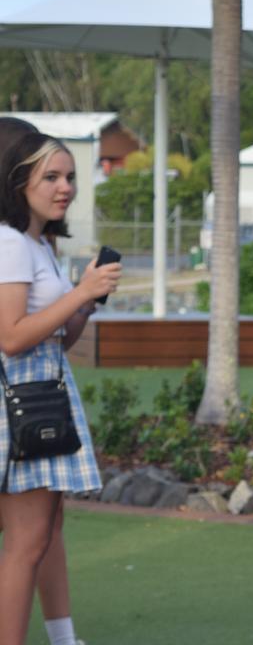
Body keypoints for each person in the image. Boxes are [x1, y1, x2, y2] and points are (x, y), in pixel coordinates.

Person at [0, 132, 121, 645]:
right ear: (19, 181)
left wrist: (85, 301)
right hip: (21, 403)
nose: (64, 187)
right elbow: (10, 337)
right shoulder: (9, 241)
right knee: (27, 543)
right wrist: (80, 292)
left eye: (69, 176)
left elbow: (55, 338)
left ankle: (64, 638)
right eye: (50, 176)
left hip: (40, 396)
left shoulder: (38, 242)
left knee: (44, 533)